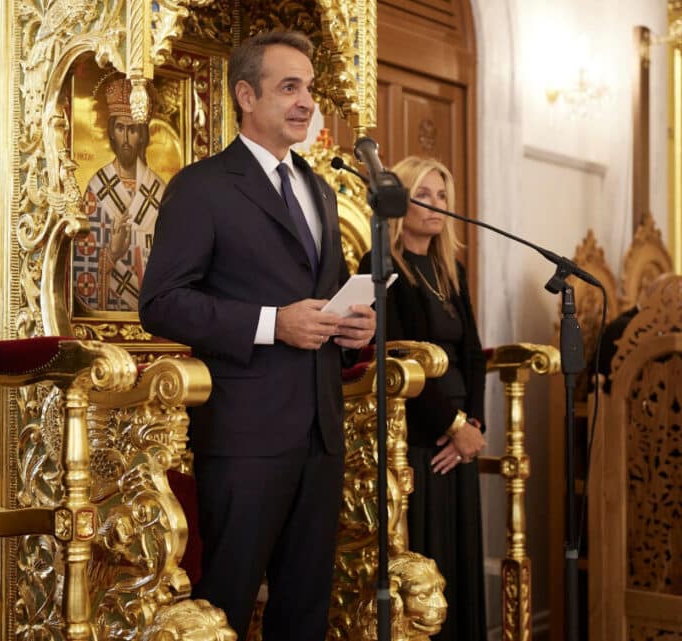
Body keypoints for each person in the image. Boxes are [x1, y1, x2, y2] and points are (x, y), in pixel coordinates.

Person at [139, 30, 377, 640]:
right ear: (246, 96)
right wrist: (274, 323)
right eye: (289, 88)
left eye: (310, 89)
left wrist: (354, 327)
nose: (307, 103)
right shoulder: (203, 185)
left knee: (305, 610)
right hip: (245, 436)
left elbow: (323, 292)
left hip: (321, 435)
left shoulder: (318, 188)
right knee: (227, 604)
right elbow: (162, 303)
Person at [357, 156, 487, 641]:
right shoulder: (381, 266)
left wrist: (473, 425)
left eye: (443, 196)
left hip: (461, 436)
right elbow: (396, 358)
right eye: (424, 195)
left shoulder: (451, 269)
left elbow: (472, 354)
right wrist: (452, 426)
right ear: (398, 204)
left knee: (461, 554)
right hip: (416, 432)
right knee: (427, 554)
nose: (436, 205)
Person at [73, 77, 167, 311]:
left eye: (132, 130)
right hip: (111, 300)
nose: (126, 139)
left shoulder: (159, 190)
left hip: (153, 310)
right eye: (120, 128)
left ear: (142, 135)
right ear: (111, 132)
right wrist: (112, 254)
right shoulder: (96, 188)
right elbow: (82, 262)